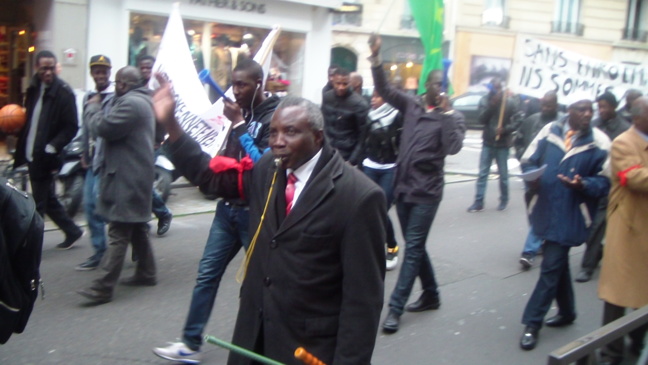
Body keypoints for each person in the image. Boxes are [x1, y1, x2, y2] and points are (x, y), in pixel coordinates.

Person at [154, 86, 386, 364]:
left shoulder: (358, 196)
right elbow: (210, 177)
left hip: (307, 350)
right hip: (253, 338)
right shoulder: (267, 168)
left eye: (290, 132)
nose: (277, 141)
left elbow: (362, 302)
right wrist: (171, 124)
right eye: (273, 132)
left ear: (317, 136)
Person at [153, 59, 281, 364]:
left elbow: (265, 165)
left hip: (256, 215)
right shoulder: (238, 110)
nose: (235, 91)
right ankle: (190, 342)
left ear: (259, 84)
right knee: (206, 276)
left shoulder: (275, 117)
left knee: (259, 286)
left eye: (242, 85)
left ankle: (264, 347)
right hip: (227, 211)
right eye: (232, 84)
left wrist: (238, 126)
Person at [368, 34, 466, 334]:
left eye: (444, 85)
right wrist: (376, 58)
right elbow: (384, 88)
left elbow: (454, 147)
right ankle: (432, 294)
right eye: (436, 84)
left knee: (412, 250)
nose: (440, 89)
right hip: (403, 187)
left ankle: (395, 308)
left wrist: (448, 114)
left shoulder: (452, 117)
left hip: (427, 193)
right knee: (416, 245)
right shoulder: (410, 105)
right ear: (427, 85)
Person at [518, 96, 610, 351]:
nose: (587, 114)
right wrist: (532, 180)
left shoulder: (600, 142)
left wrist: (584, 184)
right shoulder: (549, 131)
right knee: (556, 265)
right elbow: (528, 160)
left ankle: (532, 323)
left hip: (573, 214)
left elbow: (606, 182)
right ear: (569, 111)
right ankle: (568, 312)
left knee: (550, 266)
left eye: (591, 110)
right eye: (582, 110)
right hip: (545, 208)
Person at [76, 66, 157, 304]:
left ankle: (102, 288)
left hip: (127, 177)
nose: (114, 87)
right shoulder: (144, 101)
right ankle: (147, 272)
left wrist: (92, 106)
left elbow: (104, 128)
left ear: (122, 84)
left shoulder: (131, 104)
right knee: (137, 227)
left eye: (117, 83)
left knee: (119, 231)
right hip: (135, 175)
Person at [13, 50, 83, 249]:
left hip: (46, 156)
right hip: (31, 152)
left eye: (51, 68)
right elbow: (31, 121)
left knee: (39, 205)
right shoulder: (34, 87)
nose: (48, 72)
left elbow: (71, 126)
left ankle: (30, 247)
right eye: (44, 68)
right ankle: (73, 231)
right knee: (48, 199)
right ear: (37, 68)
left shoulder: (64, 92)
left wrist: (52, 146)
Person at [597, 96, 648, 365]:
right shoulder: (624, 142)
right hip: (628, 231)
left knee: (642, 295)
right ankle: (610, 354)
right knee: (617, 297)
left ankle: (637, 344)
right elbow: (633, 177)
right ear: (638, 117)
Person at [574, 92, 630, 283]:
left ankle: (587, 266)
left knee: (600, 225)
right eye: (600, 107)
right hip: (593, 181)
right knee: (595, 224)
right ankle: (597, 254)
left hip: (614, 184)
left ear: (614, 107)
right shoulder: (595, 125)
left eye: (605, 107)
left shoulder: (624, 128)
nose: (602, 111)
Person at [76, 55, 115, 271]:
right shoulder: (88, 97)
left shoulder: (115, 97)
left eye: (104, 71)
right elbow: (86, 128)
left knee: (111, 207)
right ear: (92, 73)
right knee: (90, 205)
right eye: (96, 71)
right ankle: (100, 251)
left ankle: (138, 238)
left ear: (109, 73)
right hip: (92, 160)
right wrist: (83, 152)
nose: (100, 75)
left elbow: (107, 127)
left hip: (110, 160)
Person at [516, 91, 563, 269]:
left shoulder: (562, 125)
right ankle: (541, 238)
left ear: (556, 106)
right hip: (532, 174)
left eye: (549, 105)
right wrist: (524, 160)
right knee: (533, 209)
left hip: (552, 177)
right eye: (543, 104)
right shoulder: (532, 120)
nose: (545, 108)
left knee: (541, 211)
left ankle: (530, 250)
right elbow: (519, 140)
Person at [362, 90, 403, 271]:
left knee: (380, 208)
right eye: (372, 96)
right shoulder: (369, 115)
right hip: (370, 165)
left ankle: (392, 246)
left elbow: (403, 143)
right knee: (367, 208)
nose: (373, 100)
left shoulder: (397, 116)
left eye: (377, 96)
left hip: (390, 168)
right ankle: (369, 248)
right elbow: (363, 139)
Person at [467, 77, 520, 212]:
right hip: (488, 142)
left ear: (501, 89)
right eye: (493, 88)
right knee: (483, 173)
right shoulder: (485, 100)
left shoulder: (509, 102)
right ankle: (479, 201)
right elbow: (481, 119)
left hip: (502, 144)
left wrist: (505, 129)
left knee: (503, 175)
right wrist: (492, 105)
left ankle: (504, 199)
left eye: (497, 88)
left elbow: (518, 121)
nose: (495, 91)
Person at [138, 55, 173, 236]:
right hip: (134, 144)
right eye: (142, 67)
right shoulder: (134, 89)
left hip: (150, 145)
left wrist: (158, 140)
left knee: (142, 184)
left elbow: (162, 119)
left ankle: (161, 214)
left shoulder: (157, 91)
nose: (145, 71)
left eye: (148, 67)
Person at [321, 67, 370, 166]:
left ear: (350, 83)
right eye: (338, 83)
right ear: (332, 81)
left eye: (345, 84)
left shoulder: (360, 104)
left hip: (347, 156)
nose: (341, 87)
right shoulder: (327, 97)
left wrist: (352, 160)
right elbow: (322, 124)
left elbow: (363, 137)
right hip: (327, 151)